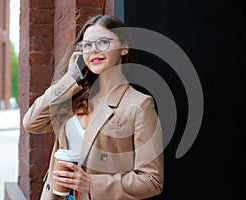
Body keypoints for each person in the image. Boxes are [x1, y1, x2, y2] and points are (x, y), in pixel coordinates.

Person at [23, 14, 164, 200]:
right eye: (87, 45)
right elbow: (32, 123)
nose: (93, 50)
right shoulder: (75, 97)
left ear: (123, 47)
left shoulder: (139, 104)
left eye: (103, 42)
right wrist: (71, 77)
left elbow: (152, 180)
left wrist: (91, 184)